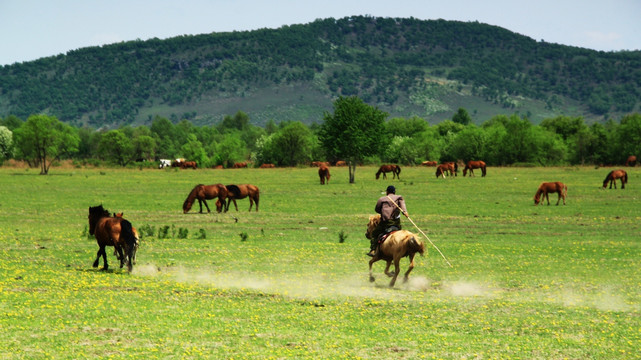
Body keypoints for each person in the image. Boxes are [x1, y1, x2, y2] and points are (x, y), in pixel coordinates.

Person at [367, 185, 408, 257]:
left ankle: (373, 250)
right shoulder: (399, 198)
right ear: (394, 192)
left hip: (386, 222)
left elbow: (377, 209)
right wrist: (405, 212)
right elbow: (403, 207)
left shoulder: (382, 199)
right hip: (396, 223)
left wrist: (384, 212)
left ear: (387, 192)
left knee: (374, 234)